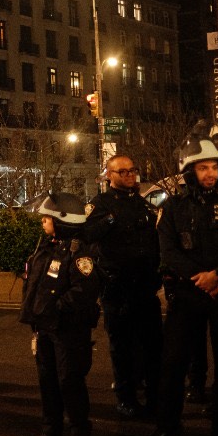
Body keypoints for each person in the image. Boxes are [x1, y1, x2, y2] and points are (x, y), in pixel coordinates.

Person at [146, 134, 218, 436]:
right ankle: (168, 425)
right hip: (187, 296)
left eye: (214, 167)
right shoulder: (173, 208)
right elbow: (168, 252)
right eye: (202, 168)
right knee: (173, 364)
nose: (209, 173)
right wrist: (201, 278)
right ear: (189, 171)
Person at [20, 192, 102, 436]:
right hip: (44, 327)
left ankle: (79, 430)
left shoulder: (80, 253)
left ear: (64, 220)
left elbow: (83, 292)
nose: (43, 221)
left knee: (69, 380)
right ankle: (51, 428)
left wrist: (56, 308)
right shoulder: (46, 247)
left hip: (68, 329)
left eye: (48, 217)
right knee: (47, 380)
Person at [83, 154, 162, 418]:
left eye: (132, 170)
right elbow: (87, 235)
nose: (130, 176)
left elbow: (153, 243)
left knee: (151, 345)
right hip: (117, 287)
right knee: (122, 346)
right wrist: (111, 219)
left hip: (144, 284)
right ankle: (125, 398)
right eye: (123, 172)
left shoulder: (142, 204)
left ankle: (152, 396)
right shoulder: (101, 204)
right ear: (109, 175)